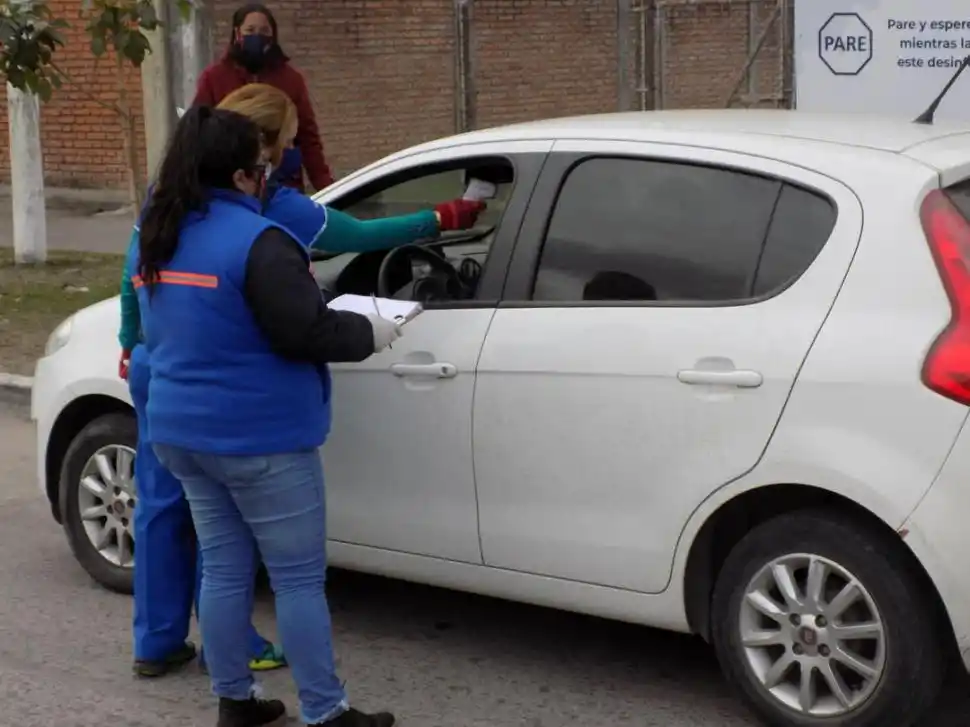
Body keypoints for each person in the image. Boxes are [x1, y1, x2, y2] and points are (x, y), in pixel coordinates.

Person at [131, 105, 399, 727]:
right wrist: (374, 332)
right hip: (260, 440)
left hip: (181, 433)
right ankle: (326, 712)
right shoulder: (259, 243)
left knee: (225, 567)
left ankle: (235, 700)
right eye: (264, 166)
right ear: (245, 176)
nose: (270, 176)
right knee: (298, 580)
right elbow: (305, 330)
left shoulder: (161, 232)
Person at [121, 242, 286, 676]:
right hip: (205, 368)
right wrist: (435, 221)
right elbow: (343, 233)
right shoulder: (234, 217)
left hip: (152, 359)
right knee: (220, 514)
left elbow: (129, 281)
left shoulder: (158, 209)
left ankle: (156, 643)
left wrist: (127, 341)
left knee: (159, 503)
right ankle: (227, 646)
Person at [216, 82, 485, 251]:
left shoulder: (189, 197)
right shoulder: (274, 205)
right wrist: (440, 218)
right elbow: (359, 235)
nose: (290, 151)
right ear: (263, 146)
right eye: (287, 142)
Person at [193, 3, 332, 191]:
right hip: (233, 185)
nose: (257, 36)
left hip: (283, 184)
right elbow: (197, 128)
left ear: (273, 36)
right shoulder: (214, 77)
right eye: (250, 30)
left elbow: (308, 138)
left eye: (264, 30)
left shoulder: (290, 79)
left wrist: (326, 187)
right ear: (237, 33)